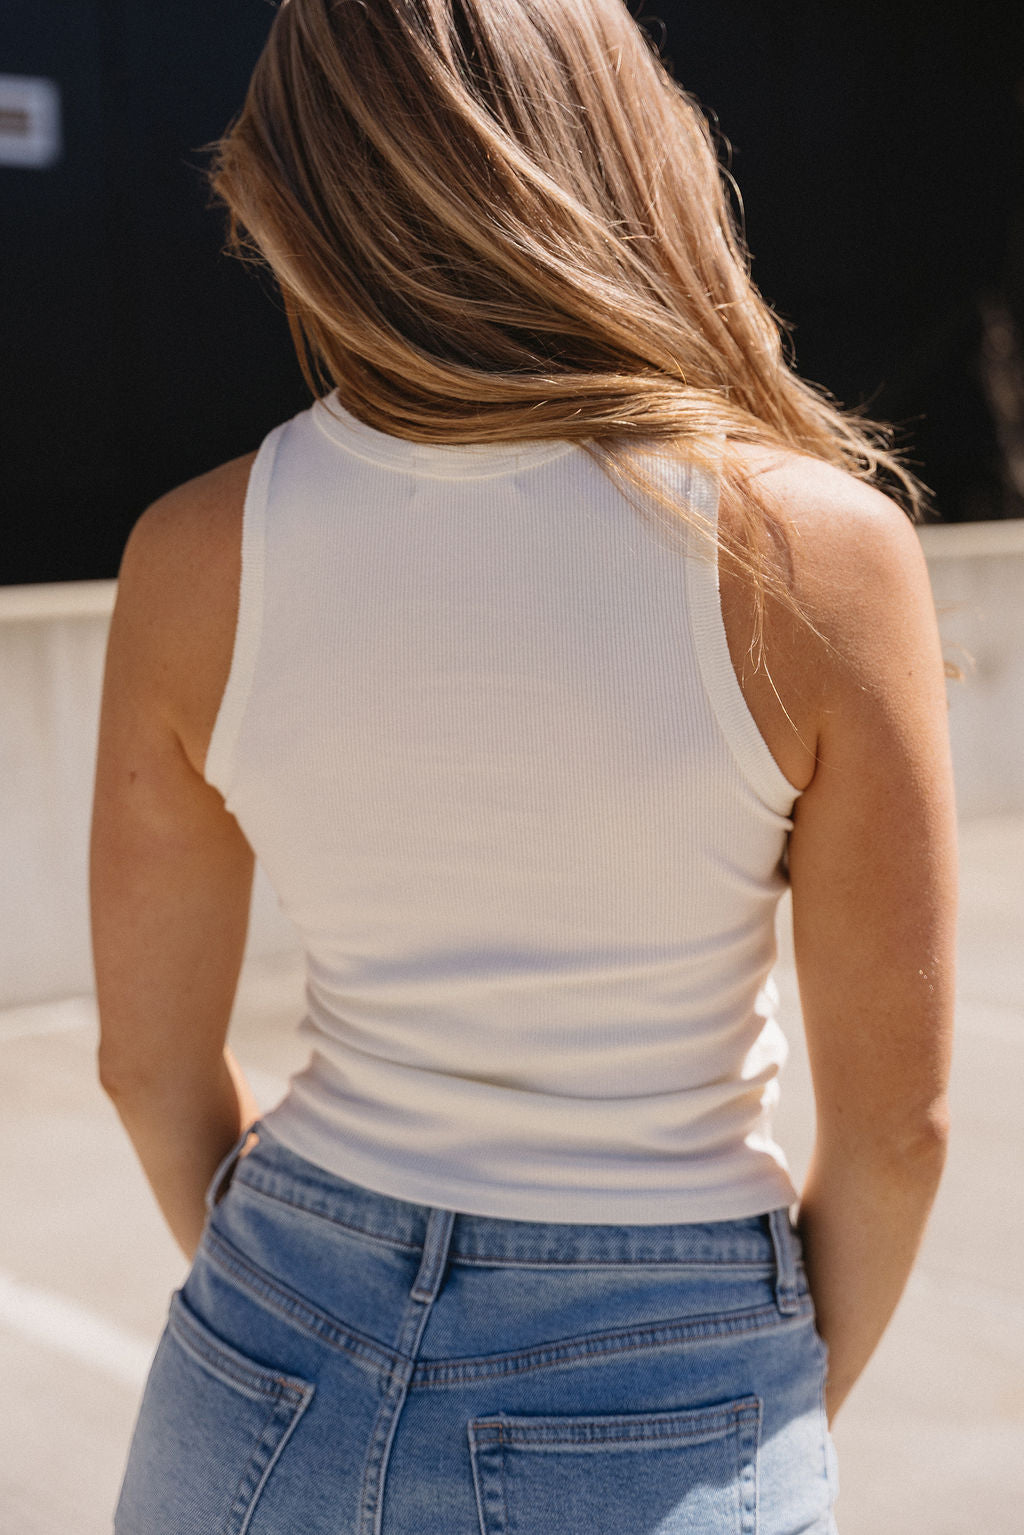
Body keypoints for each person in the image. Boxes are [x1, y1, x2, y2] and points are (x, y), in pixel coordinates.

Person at [90, 2, 956, 1531]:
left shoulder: (193, 555)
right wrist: (754, 1413)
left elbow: (148, 1068)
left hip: (262, 1341)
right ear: (631, 156)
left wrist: (299, 1296)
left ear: (298, 200)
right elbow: (895, 1134)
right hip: (664, 1350)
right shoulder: (813, 557)